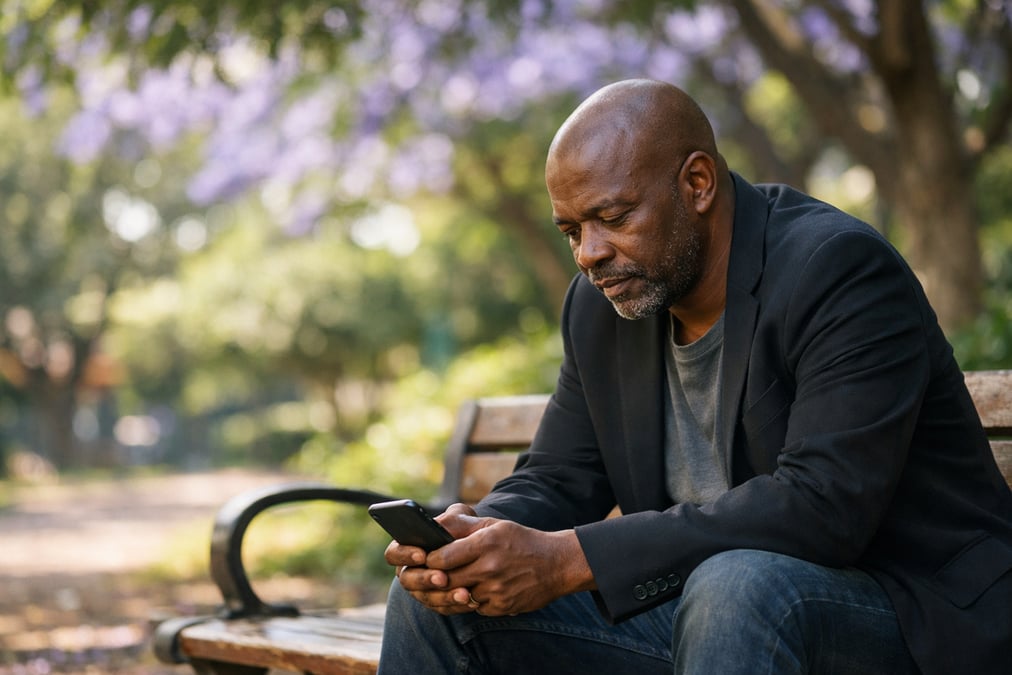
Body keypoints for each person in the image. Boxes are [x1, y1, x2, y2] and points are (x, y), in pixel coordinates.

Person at [377, 79, 1012, 674]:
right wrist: (475, 540)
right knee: (437, 606)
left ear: (698, 183)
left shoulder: (836, 270)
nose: (589, 253)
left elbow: (823, 507)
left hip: (911, 613)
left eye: (613, 217)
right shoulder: (603, 307)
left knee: (734, 584)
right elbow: (560, 474)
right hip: (713, 621)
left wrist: (570, 558)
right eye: (572, 230)